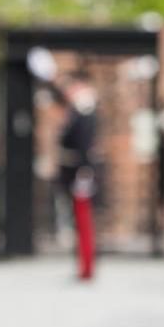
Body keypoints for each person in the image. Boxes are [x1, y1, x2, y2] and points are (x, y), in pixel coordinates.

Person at [57, 70, 99, 282]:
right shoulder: (77, 110)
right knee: (80, 222)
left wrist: (83, 173)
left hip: (80, 172)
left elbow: (83, 145)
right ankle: (84, 266)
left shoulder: (84, 110)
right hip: (75, 170)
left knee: (84, 222)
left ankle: (87, 267)